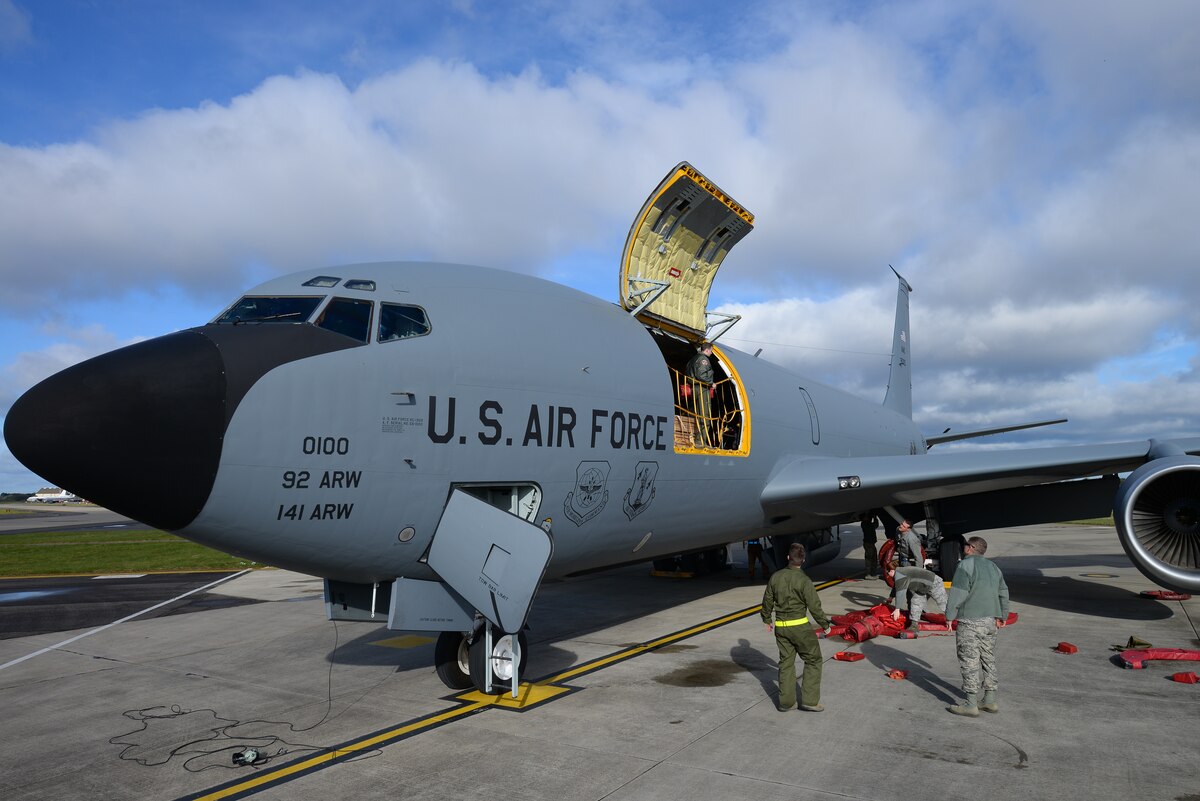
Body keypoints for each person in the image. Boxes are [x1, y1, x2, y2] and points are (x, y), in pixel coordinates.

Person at [944, 536, 1010, 717]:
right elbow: (1003, 592)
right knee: (988, 658)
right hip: (990, 622)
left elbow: (958, 593)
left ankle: (970, 703)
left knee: (969, 660)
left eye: (966, 545)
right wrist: (1003, 614)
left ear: (970, 548)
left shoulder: (965, 565)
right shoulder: (994, 567)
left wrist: (950, 616)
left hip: (970, 621)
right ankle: (990, 700)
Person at [761, 542, 831, 712]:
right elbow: (814, 606)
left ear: (788, 558)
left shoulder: (776, 577)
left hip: (781, 628)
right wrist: (825, 625)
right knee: (813, 660)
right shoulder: (804, 581)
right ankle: (810, 701)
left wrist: (767, 619)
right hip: (800, 627)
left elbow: (767, 600)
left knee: (786, 663)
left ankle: (786, 703)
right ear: (803, 560)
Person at [885, 558, 948, 630]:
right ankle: (914, 625)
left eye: (887, 573)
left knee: (943, 603)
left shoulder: (900, 575)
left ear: (892, 570)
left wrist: (897, 609)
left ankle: (953, 620)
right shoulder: (899, 573)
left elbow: (900, 593)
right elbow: (897, 586)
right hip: (920, 588)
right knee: (915, 603)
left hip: (934, 582)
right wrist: (891, 597)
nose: (888, 576)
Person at [684, 342, 715, 446]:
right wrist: (711, 383)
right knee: (704, 415)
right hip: (702, 388)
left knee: (695, 413)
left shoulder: (692, 359)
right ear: (707, 350)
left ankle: (694, 438)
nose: (711, 353)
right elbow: (701, 374)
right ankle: (700, 441)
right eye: (711, 350)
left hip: (693, 388)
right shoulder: (703, 360)